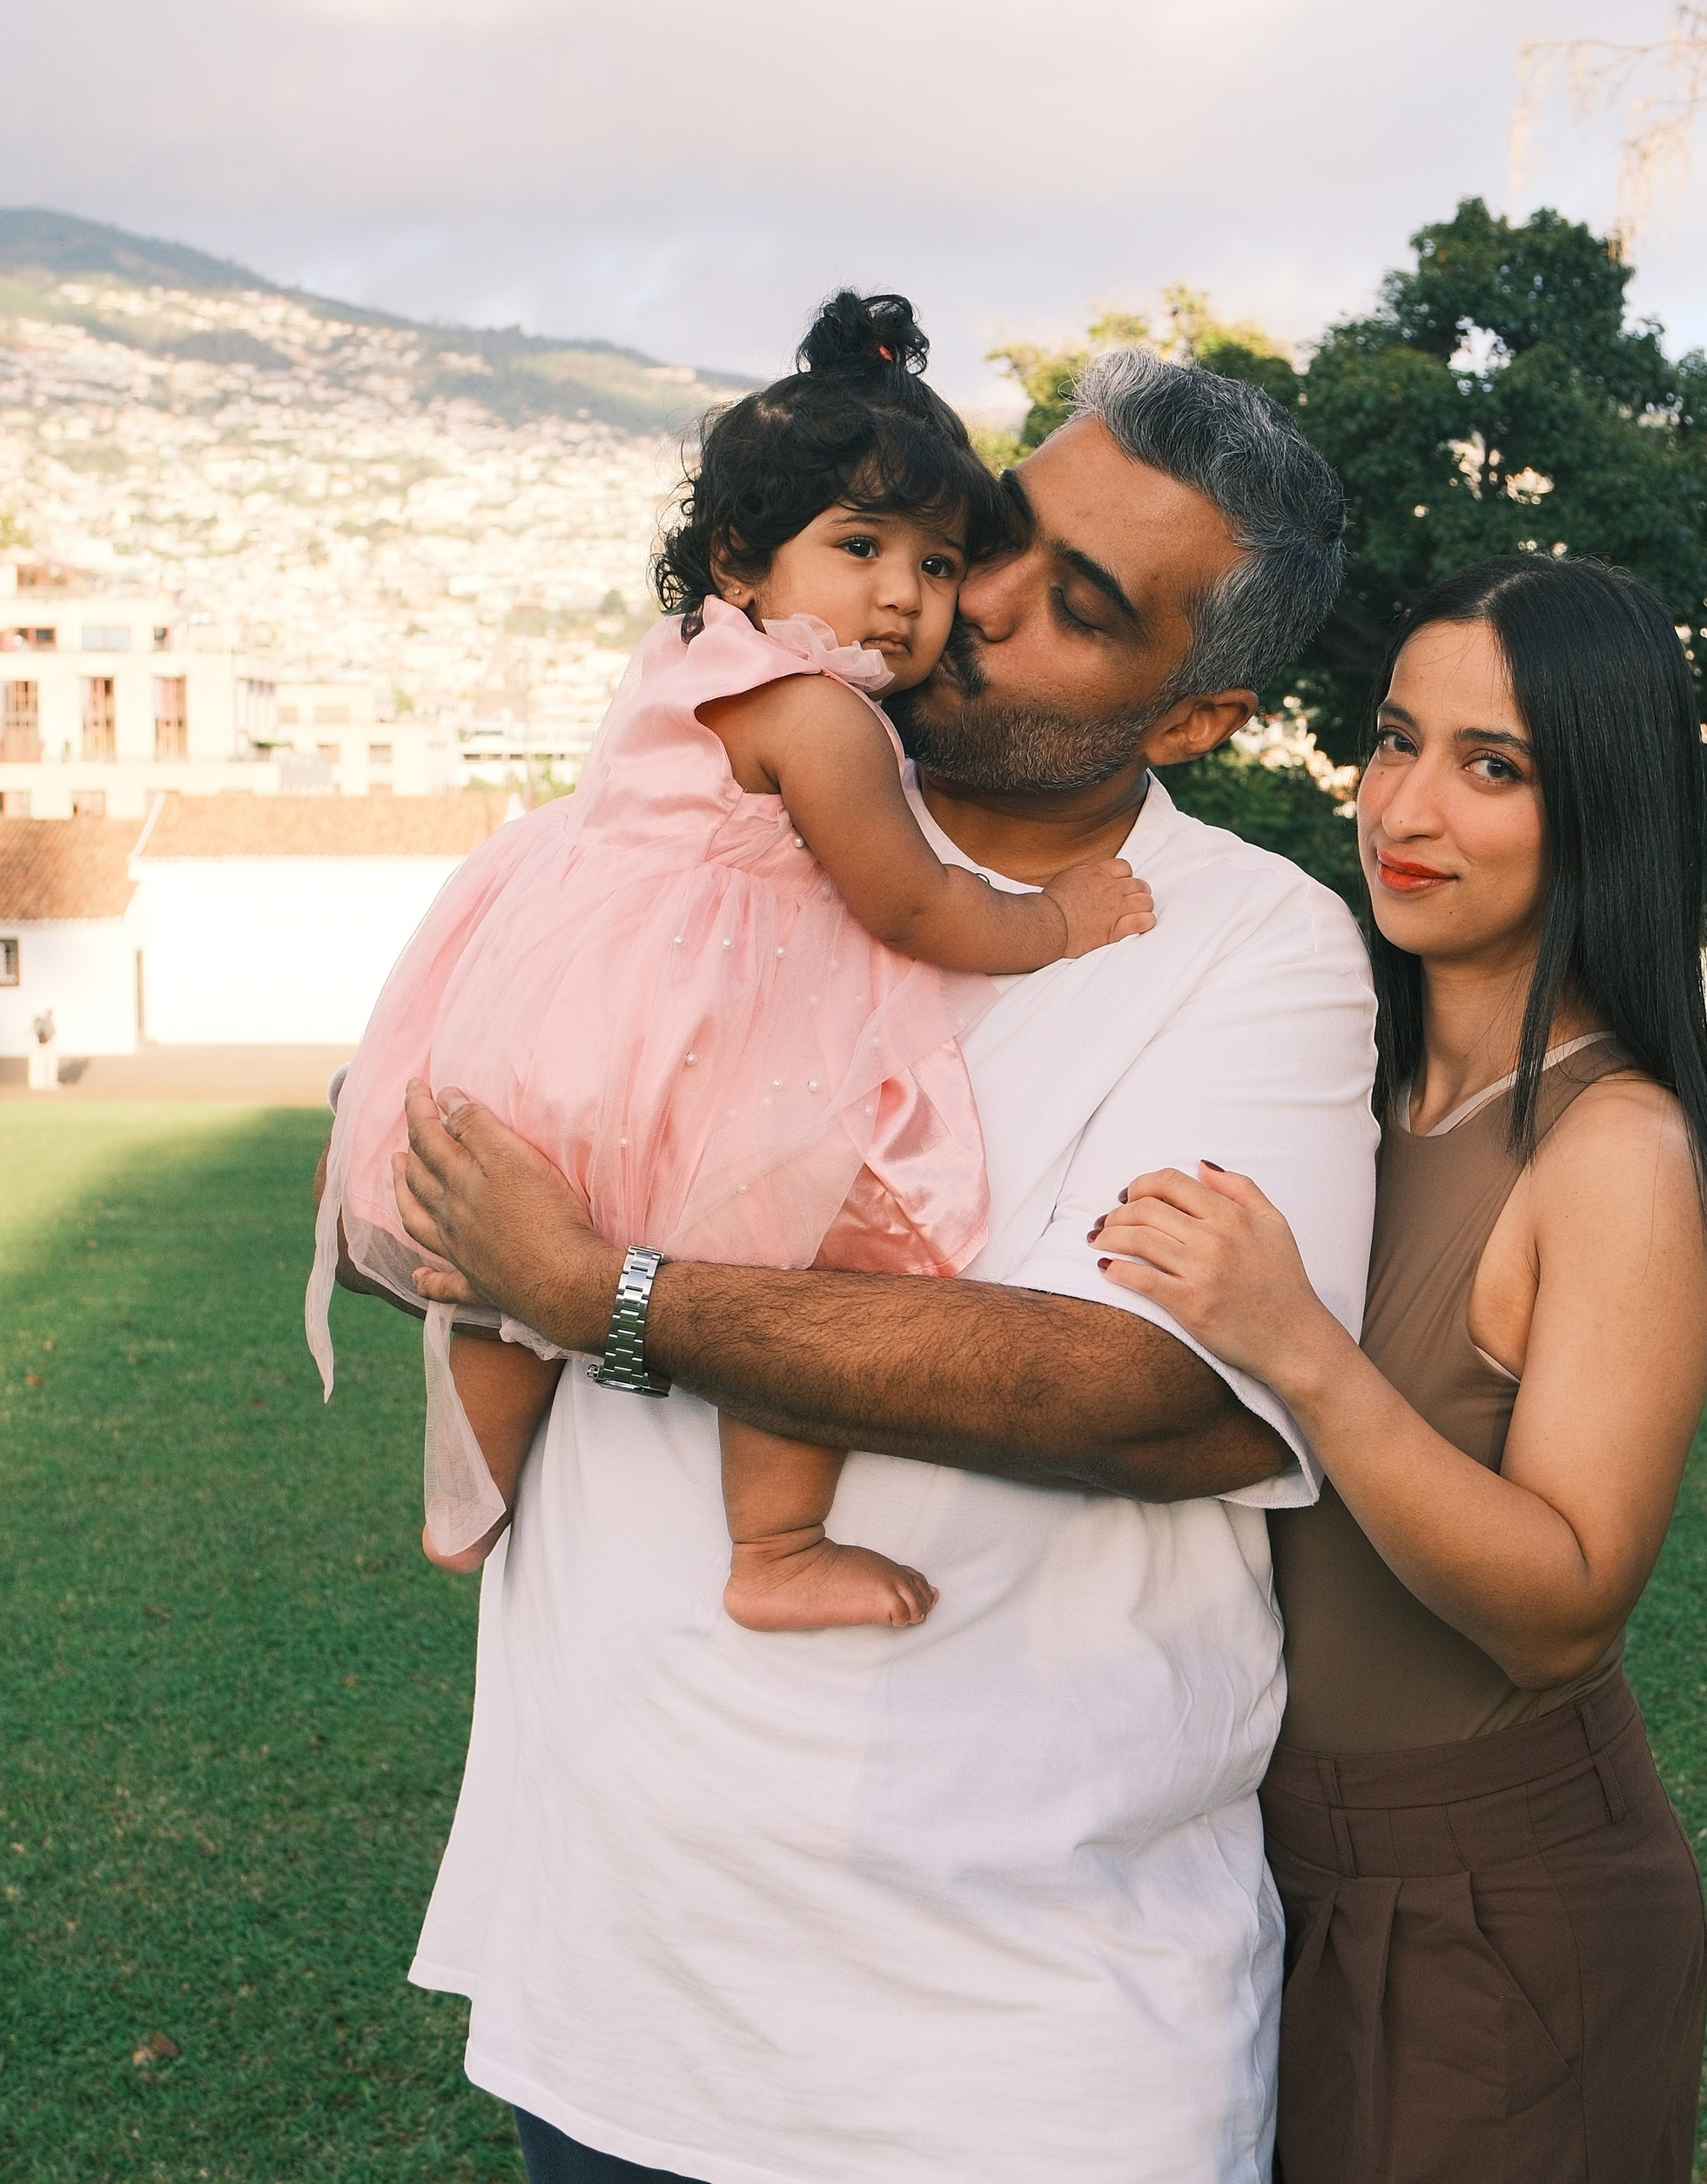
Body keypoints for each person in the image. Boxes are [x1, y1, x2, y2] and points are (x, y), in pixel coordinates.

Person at [373, 347, 1380, 2184]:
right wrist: (479, 1229)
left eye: (1077, 604)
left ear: (1193, 718)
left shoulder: (1249, 944)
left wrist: (603, 1291)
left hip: (994, 2051)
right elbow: (415, 1194)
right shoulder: (680, 831)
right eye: (992, 537)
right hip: (610, 1986)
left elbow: (1154, 1393)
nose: (970, 600)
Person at [310, 293, 1153, 1630]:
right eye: (860, 547)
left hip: (559, 1023)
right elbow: (910, 903)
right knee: (811, 1261)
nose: (904, 595)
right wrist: (1055, 920)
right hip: (694, 1039)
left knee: (502, 1280)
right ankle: (776, 1544)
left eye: (939, 565)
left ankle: (466, 1501)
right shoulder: (819, 713)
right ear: (740, 563)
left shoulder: (686, 660)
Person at [1092, 554, 1707, 2184]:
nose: (1405, 807)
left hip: (1498, 1906)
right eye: (1396, 740)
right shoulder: (1342, 1087)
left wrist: (1304, 1351)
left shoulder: (1616, 1150)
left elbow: (1568, 1607)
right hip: (1257, 1863)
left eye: (1494, 767)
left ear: (1599, 806)